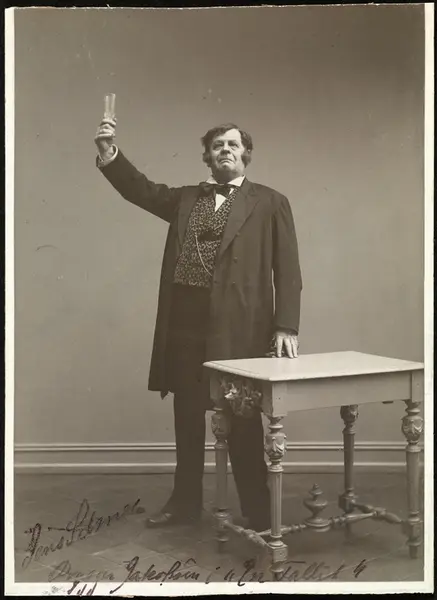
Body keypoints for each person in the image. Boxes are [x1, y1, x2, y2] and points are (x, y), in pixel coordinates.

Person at [94, 117, 302, 532]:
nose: (225, 150)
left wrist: (286, 327)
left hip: (238, 326)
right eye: (217, 145)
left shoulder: (270, 202)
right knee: (187, 415)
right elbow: (140, 190)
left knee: (241, 416)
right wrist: (109, 154)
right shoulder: (186, 198)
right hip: (185, 323)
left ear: (246, 154)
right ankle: (184, 503)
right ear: (207, 156)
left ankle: (258, 510)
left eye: (233, 144)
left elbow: (288, 270)